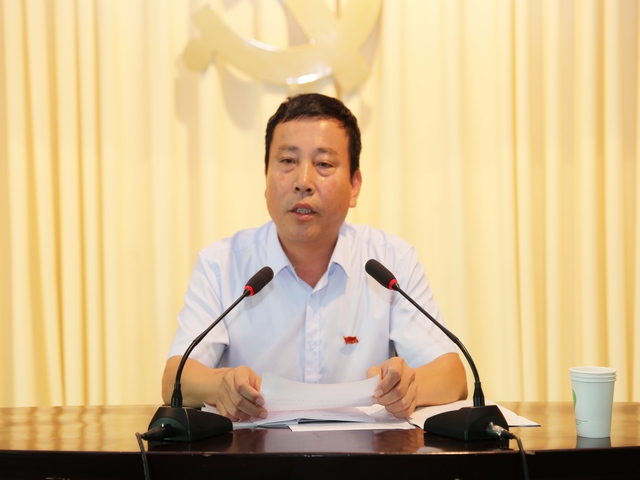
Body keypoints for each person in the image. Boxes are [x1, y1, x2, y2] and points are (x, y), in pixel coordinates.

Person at [162, 93, 467, 422]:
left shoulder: (392, 261)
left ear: (354, 186)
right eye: (287, 161)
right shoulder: (221, 264)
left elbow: (453, 377)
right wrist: (221, 385)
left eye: (323, 164)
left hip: (366, 452)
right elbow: (175, 379)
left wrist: (409, 385)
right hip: (253, 452)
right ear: (265, 178)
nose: (303, 182)